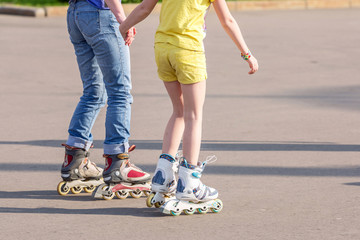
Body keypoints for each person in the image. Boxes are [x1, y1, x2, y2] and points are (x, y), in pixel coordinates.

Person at [119, 0, 259, 214]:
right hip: (188, 51)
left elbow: (144, 8)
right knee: (194, 116)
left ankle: (163, 176)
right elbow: (227, 20)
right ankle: (189, 183)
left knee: (179, 111)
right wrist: (247, 53)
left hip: (162, 49)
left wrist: (123, 26)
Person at [57, 0, 151, 197]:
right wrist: (123, 20)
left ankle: (75, 160)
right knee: (120, 92)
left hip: (76, 13)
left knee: (94, 91)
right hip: (101, 13)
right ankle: (118, 162)